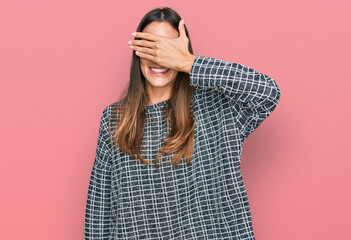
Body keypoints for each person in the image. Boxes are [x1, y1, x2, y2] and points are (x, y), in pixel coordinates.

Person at [84, 7, 281, 240]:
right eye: (151, 47)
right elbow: (99, 211)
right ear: (137, 52)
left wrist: (189, 62)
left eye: (168, 49)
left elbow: (268, 93)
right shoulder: (115, 119)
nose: (159, 58)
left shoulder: (217, 106)